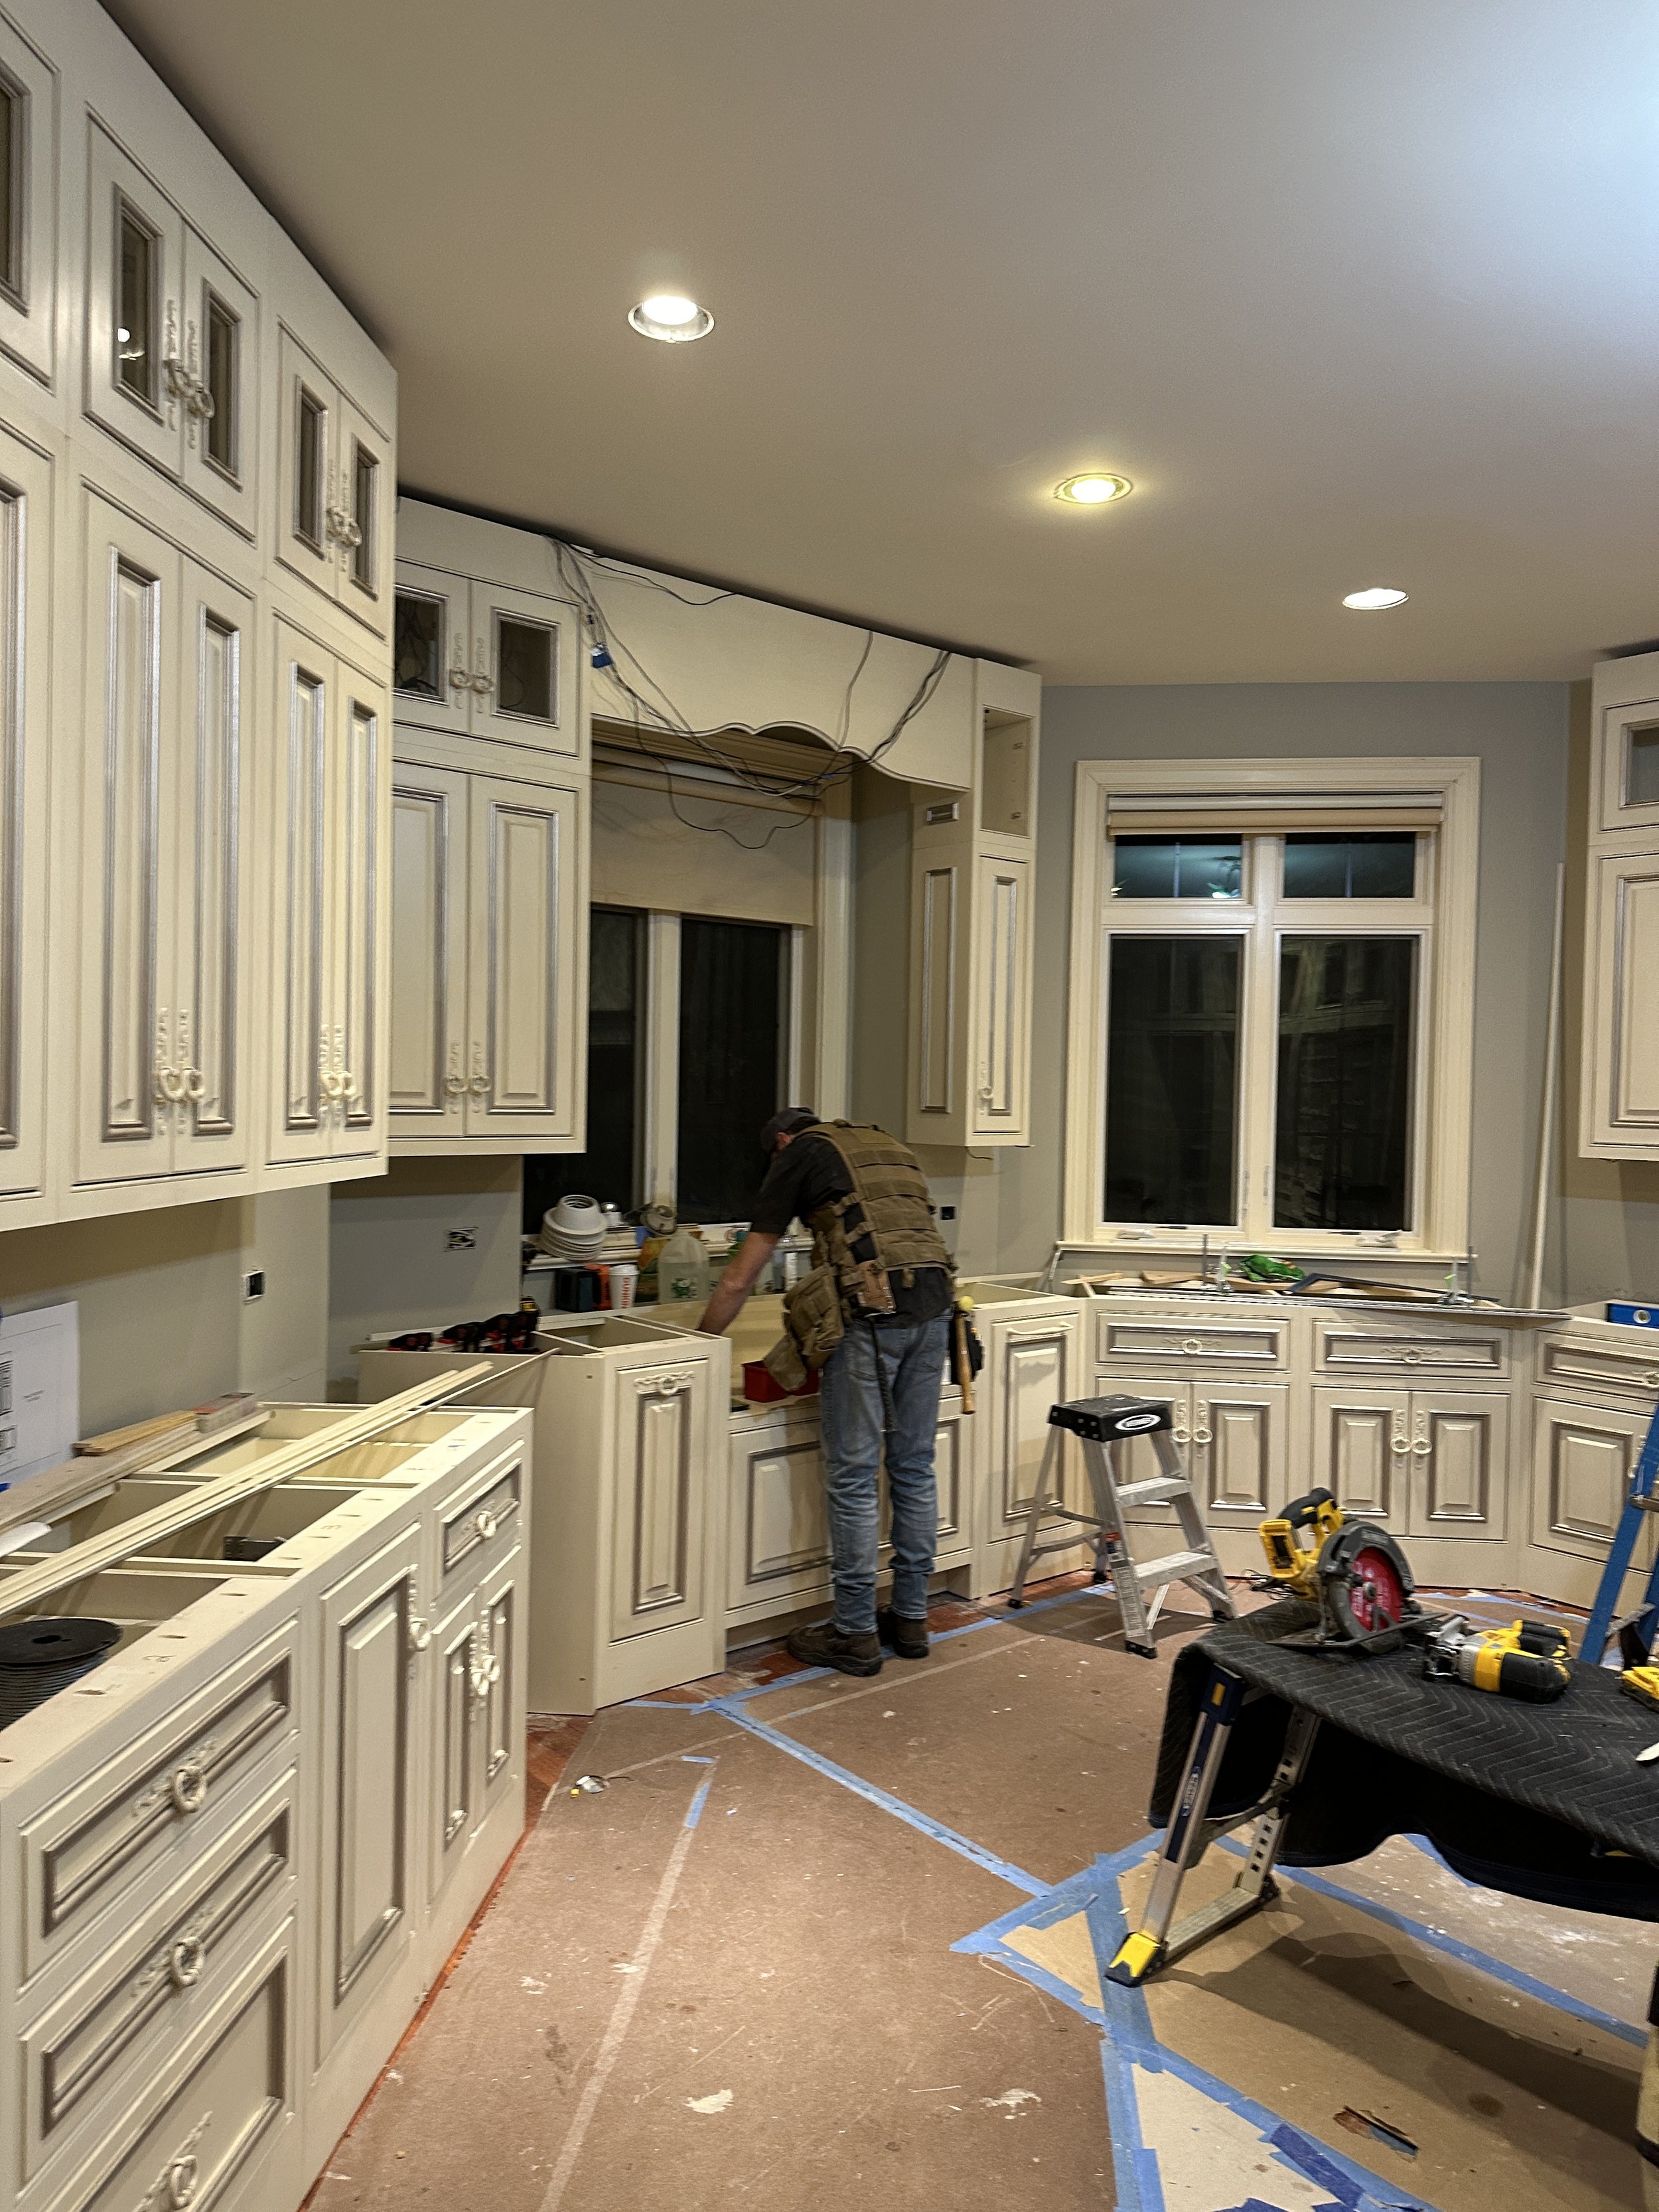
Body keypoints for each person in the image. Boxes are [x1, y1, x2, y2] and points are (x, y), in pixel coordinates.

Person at [698, 1108, 956, 1677]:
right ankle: (911, 1619)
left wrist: (697, 1345)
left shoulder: (799, 1153)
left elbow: (740, 1276)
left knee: (854, 1476)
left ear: (781, 1141)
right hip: (937, 1307)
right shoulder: (883, 1142)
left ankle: (855, 1632)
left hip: (872, 1315)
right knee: (914, 1466)